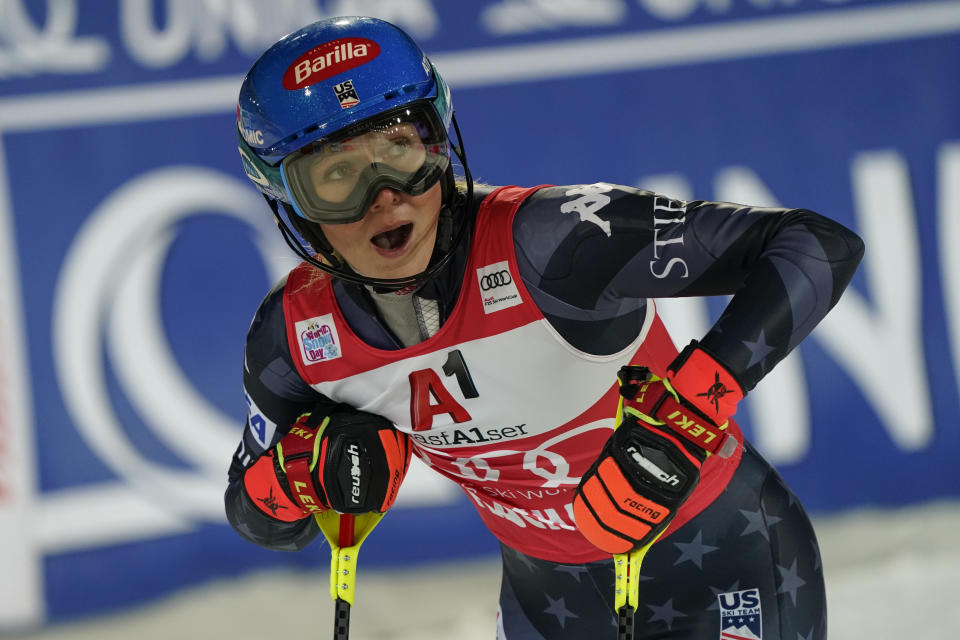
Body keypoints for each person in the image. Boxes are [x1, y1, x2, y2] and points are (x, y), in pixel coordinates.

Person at [225, 16, 863, 640]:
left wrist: (689, 413)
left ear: (440, 143)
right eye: (337, 177)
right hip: (548, 607)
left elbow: (816, 244)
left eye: (401, 150)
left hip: (727, 569)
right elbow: (258, 518)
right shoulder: (293, 337)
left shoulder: (553, 241)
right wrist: (300, 477)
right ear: (290, 203)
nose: (385, 195)